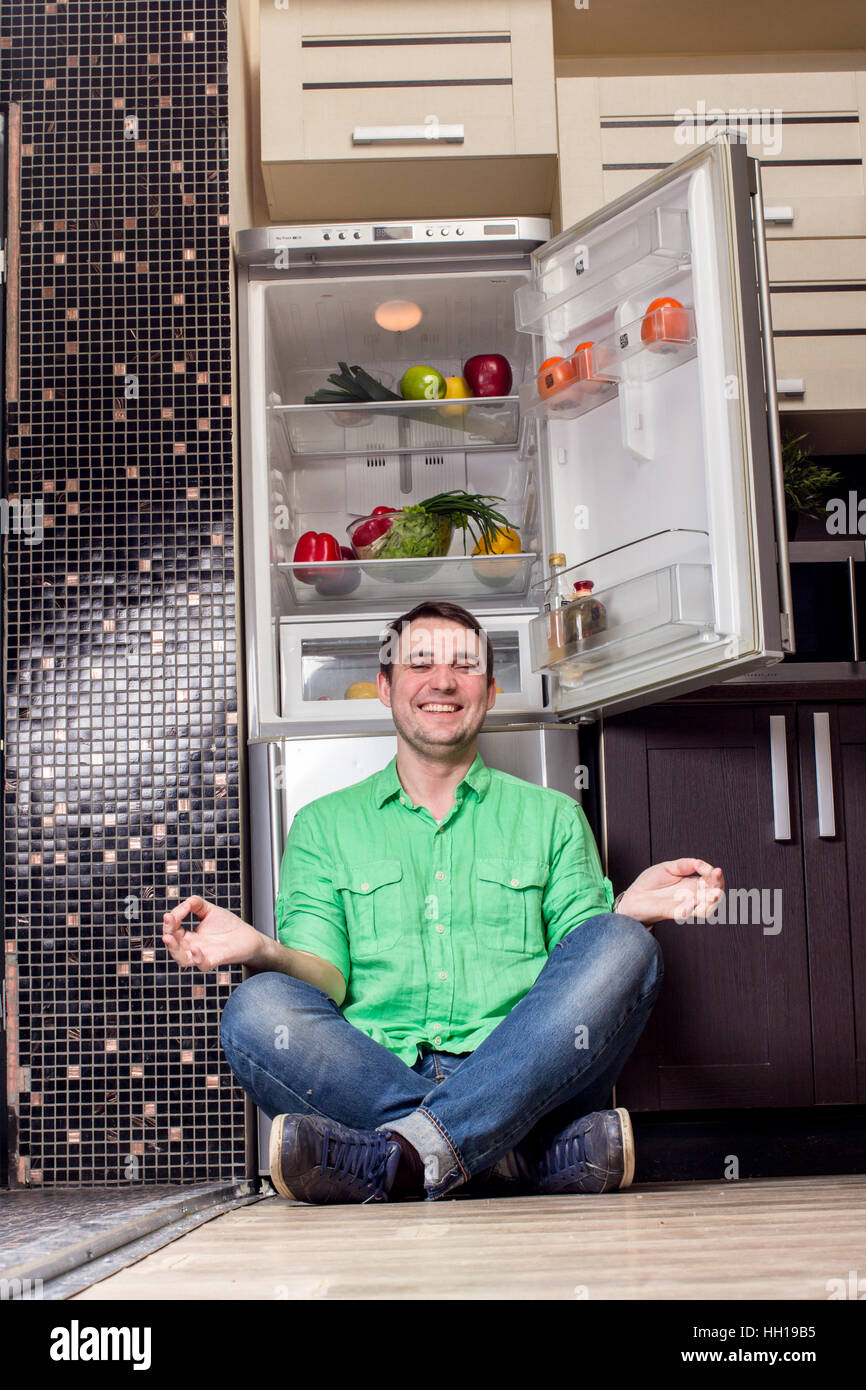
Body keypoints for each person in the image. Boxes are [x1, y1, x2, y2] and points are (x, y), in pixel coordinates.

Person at [162, 600, 725, 1204]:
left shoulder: (553, 816)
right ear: (385, 686)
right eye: (421, 662)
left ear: (488, 689)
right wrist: (262, 948)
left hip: (520, 1061)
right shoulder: (323, 826)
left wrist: (625, 916)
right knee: (257, 1007)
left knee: (622, 945)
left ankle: (396, 1157)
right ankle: (512, 1150)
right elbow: (323, 980)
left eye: (465, 664)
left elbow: (579, 970)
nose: (443, 680)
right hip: (373, 1074)